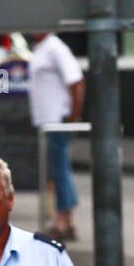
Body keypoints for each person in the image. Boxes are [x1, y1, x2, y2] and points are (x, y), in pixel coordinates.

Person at [28, 32, 85, 241]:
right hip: (48, 122)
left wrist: (73, 115)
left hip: (56, 120)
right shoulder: (42, 47)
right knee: (56, 170)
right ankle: (64, 220)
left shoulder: (55, 47)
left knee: (60, 171)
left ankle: (63, 221)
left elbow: (76, 81)